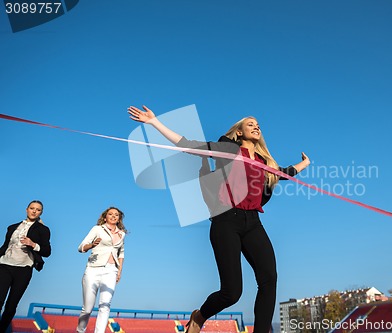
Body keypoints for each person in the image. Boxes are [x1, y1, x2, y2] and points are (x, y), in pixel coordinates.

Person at [128, 105, 310, 333]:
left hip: (253, 222)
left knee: (269, 278)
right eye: (250, 124)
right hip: (226, 222)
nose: (256, 127)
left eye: (258, 125)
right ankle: (200, 315)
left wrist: (304, 164)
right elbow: (190, 146)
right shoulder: (228, 150)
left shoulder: (264, 162)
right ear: (240, 132)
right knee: (232, 293)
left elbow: (284, 173)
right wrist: (154, 122)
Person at [0, 200, 51, 333]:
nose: (34, 211)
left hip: (23, 269)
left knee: (11, 306)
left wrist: (33, 244)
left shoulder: (43, 230)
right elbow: (5, 246)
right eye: (32, 208)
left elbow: (47, 251)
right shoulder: (12, 227)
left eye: (38, 209)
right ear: (26, 209)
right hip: (5, 265)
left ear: (41, 212)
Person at [76, 207, 127, 333]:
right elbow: (81, 247)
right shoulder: (97, 229)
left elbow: (121, 254)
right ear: (105, 217)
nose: (113, 216)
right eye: (110, 214)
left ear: (119, 218)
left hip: (111, 270)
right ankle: (80, 329)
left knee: (105, 305)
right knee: (87, 309)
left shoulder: (122, 234)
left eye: (116, 215)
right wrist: (91, 245)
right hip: (93, 269)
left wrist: (119, 271)